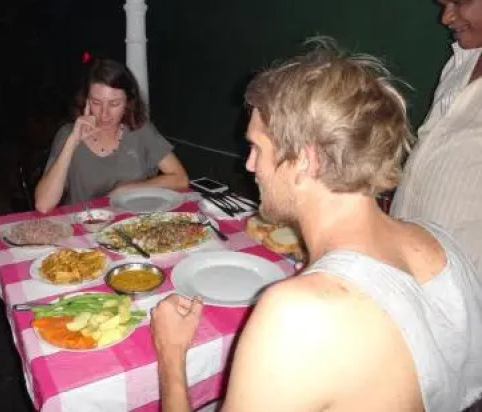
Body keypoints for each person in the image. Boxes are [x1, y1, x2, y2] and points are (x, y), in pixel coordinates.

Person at [151, 41, 482, 412]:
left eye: (257, 148)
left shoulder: (297, 314)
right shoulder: (439, 242)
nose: (249, 166)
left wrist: (171, 354)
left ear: (306, 161)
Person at [390, 0, 482, 277]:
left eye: (458, 2)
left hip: (464, 283)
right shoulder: (460, 62)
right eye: (444, 3)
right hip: (408, 262)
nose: (446, 17)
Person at [34, 58, 188, 212]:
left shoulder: (140, 130)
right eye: (96, 103)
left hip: (134, 222)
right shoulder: (68, 134)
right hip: (86, 223)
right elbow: (43, 205)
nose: (104, 114)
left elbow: (180, 179)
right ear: (86, 101)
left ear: (128, 102)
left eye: (114, 104)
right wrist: (72, 142)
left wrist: (130, 189)